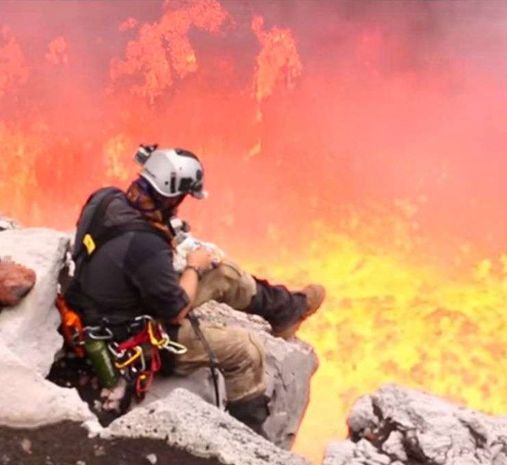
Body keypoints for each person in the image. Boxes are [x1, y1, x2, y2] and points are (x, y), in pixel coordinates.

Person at [64, 146, 324, 434]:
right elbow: (176, 312)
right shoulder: (146, 246)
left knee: (223, 273)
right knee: (245, 351)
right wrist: (194, 267)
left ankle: (286, 310)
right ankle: (248, 437)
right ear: (172, 195)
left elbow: (127, 253)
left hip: (106, 303)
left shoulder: (106, 198)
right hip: (132, 339)